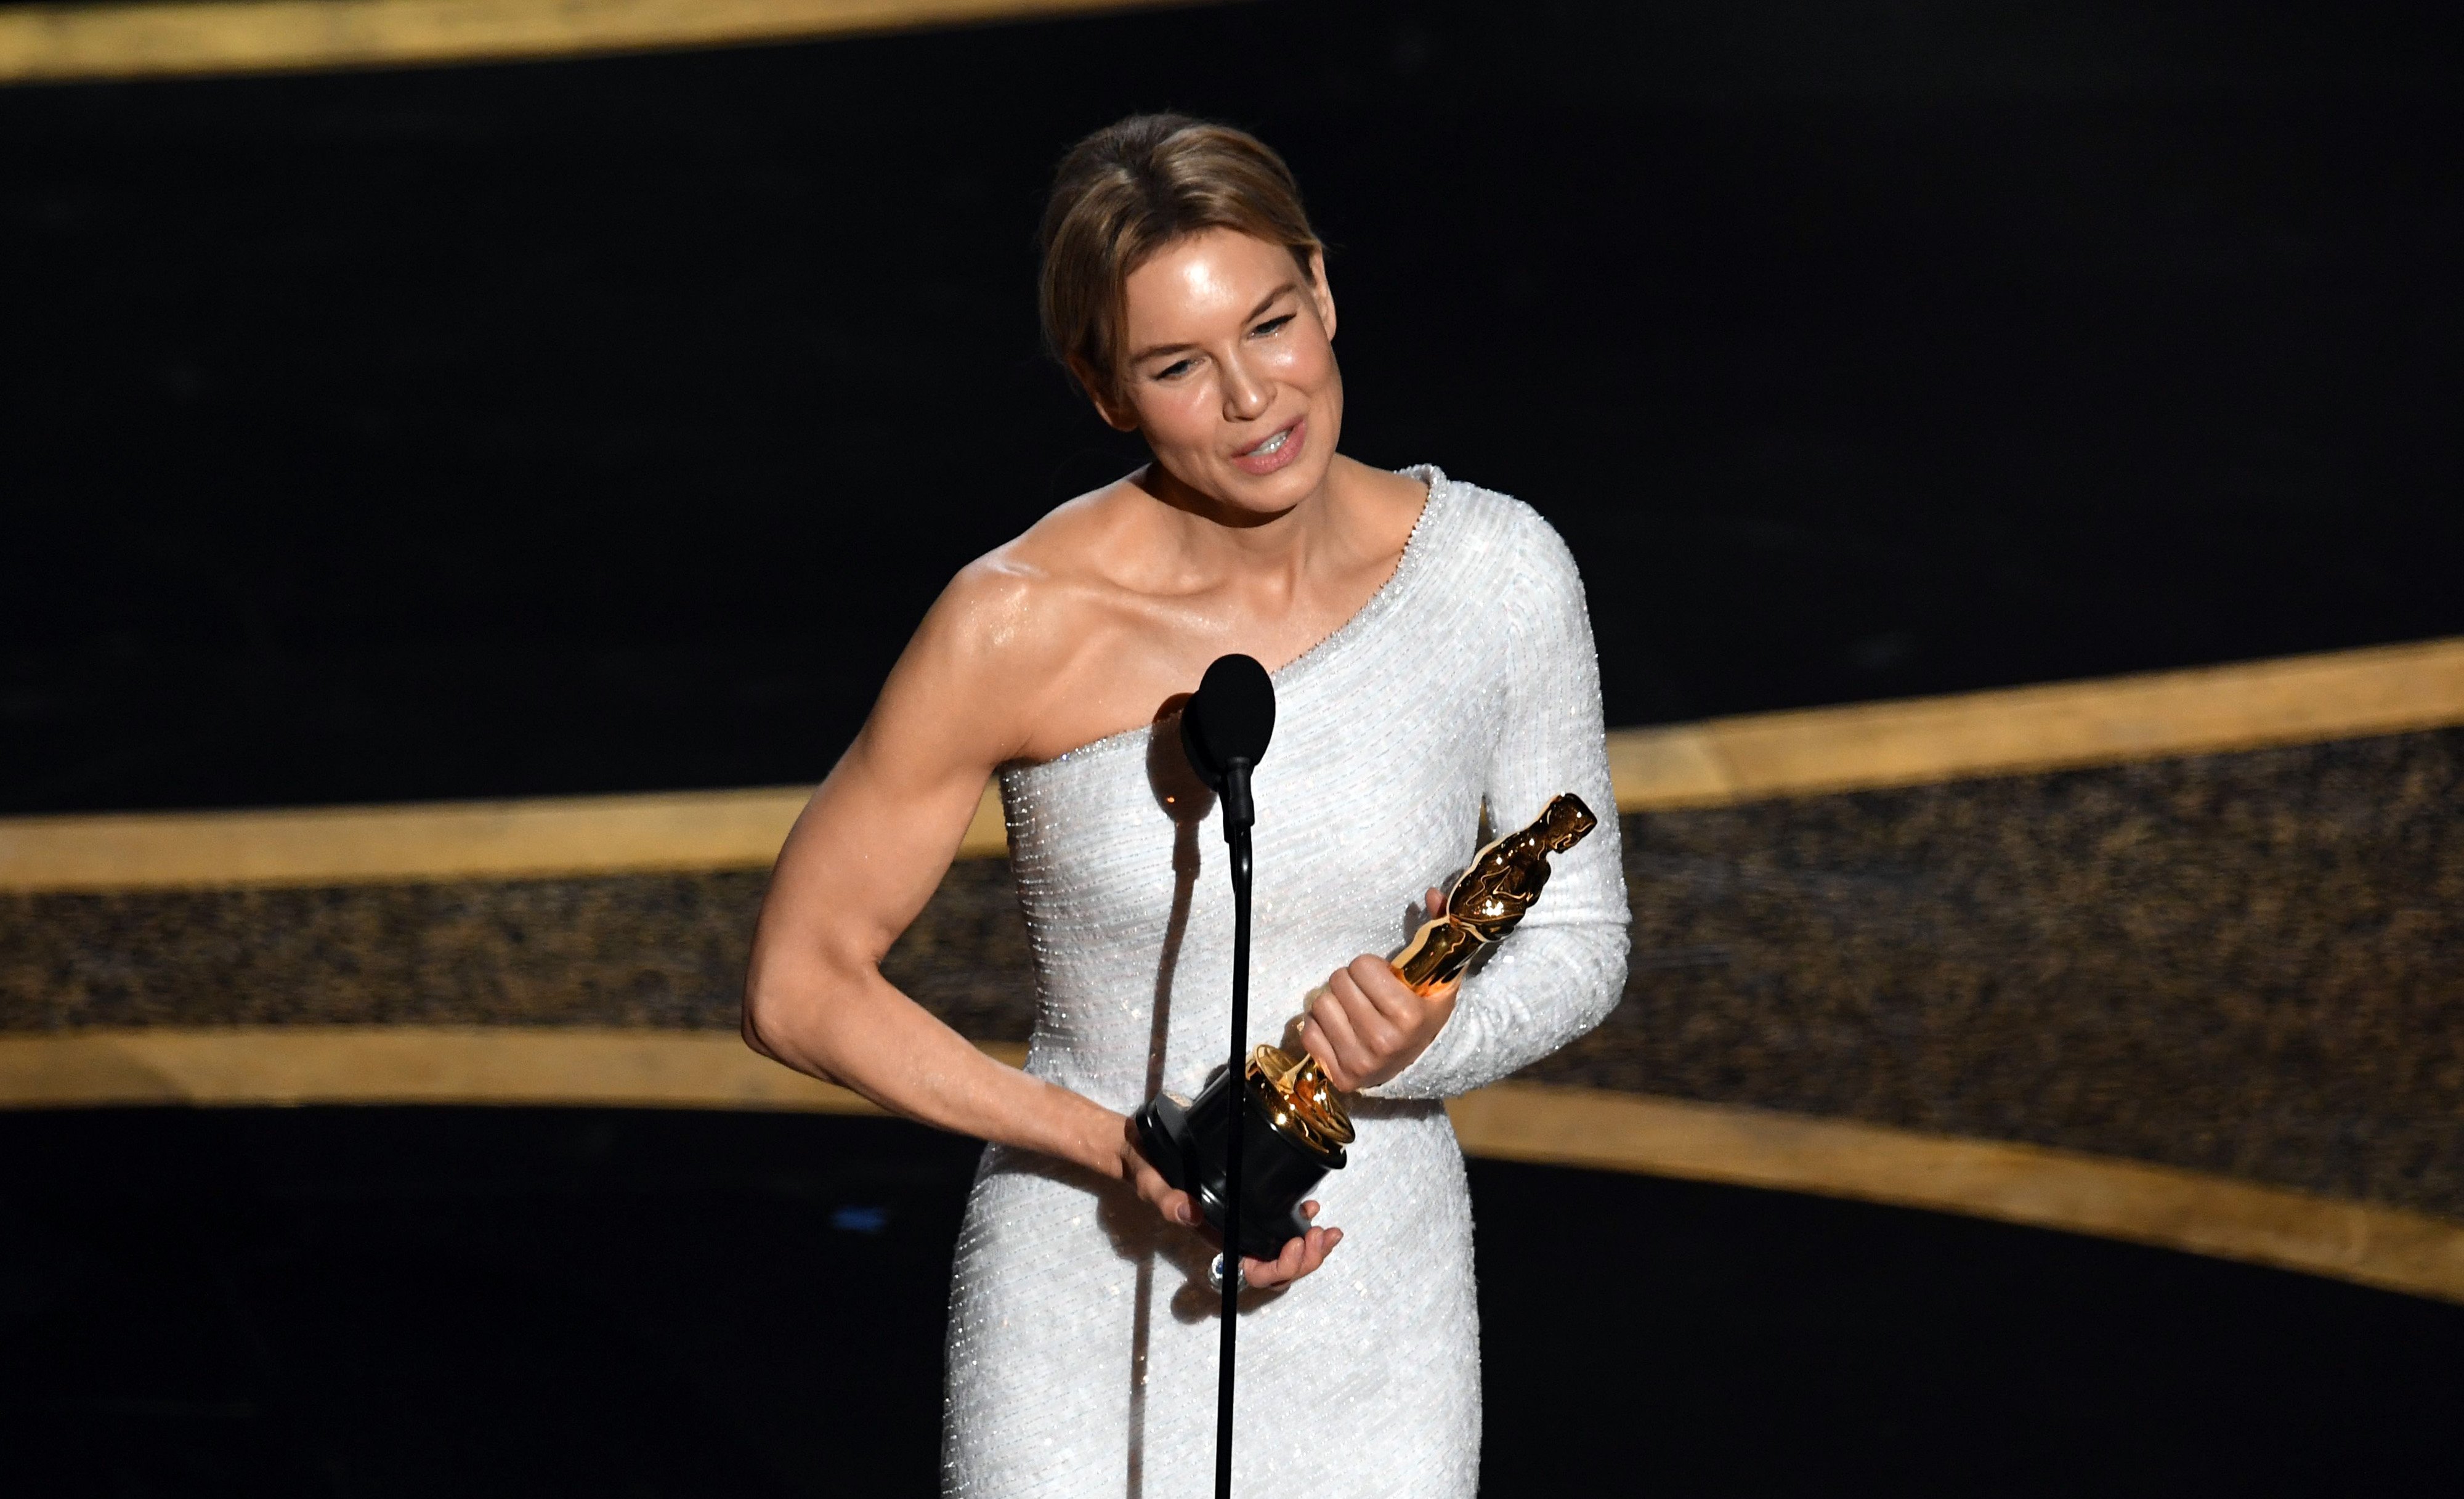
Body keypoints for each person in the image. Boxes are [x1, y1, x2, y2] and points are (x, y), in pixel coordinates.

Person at [743, 114, 1629, 1499]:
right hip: (1085, 1285)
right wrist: (1113, 1146)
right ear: (1107, 392)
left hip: (1370, 1295)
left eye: (1271, 324)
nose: (1250, 399)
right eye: (1177, 366)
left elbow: (1578, 934)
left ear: (1322, 289)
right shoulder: (1013, 625)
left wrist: (1430, 1038)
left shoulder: (1497, 575)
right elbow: (799, 985)